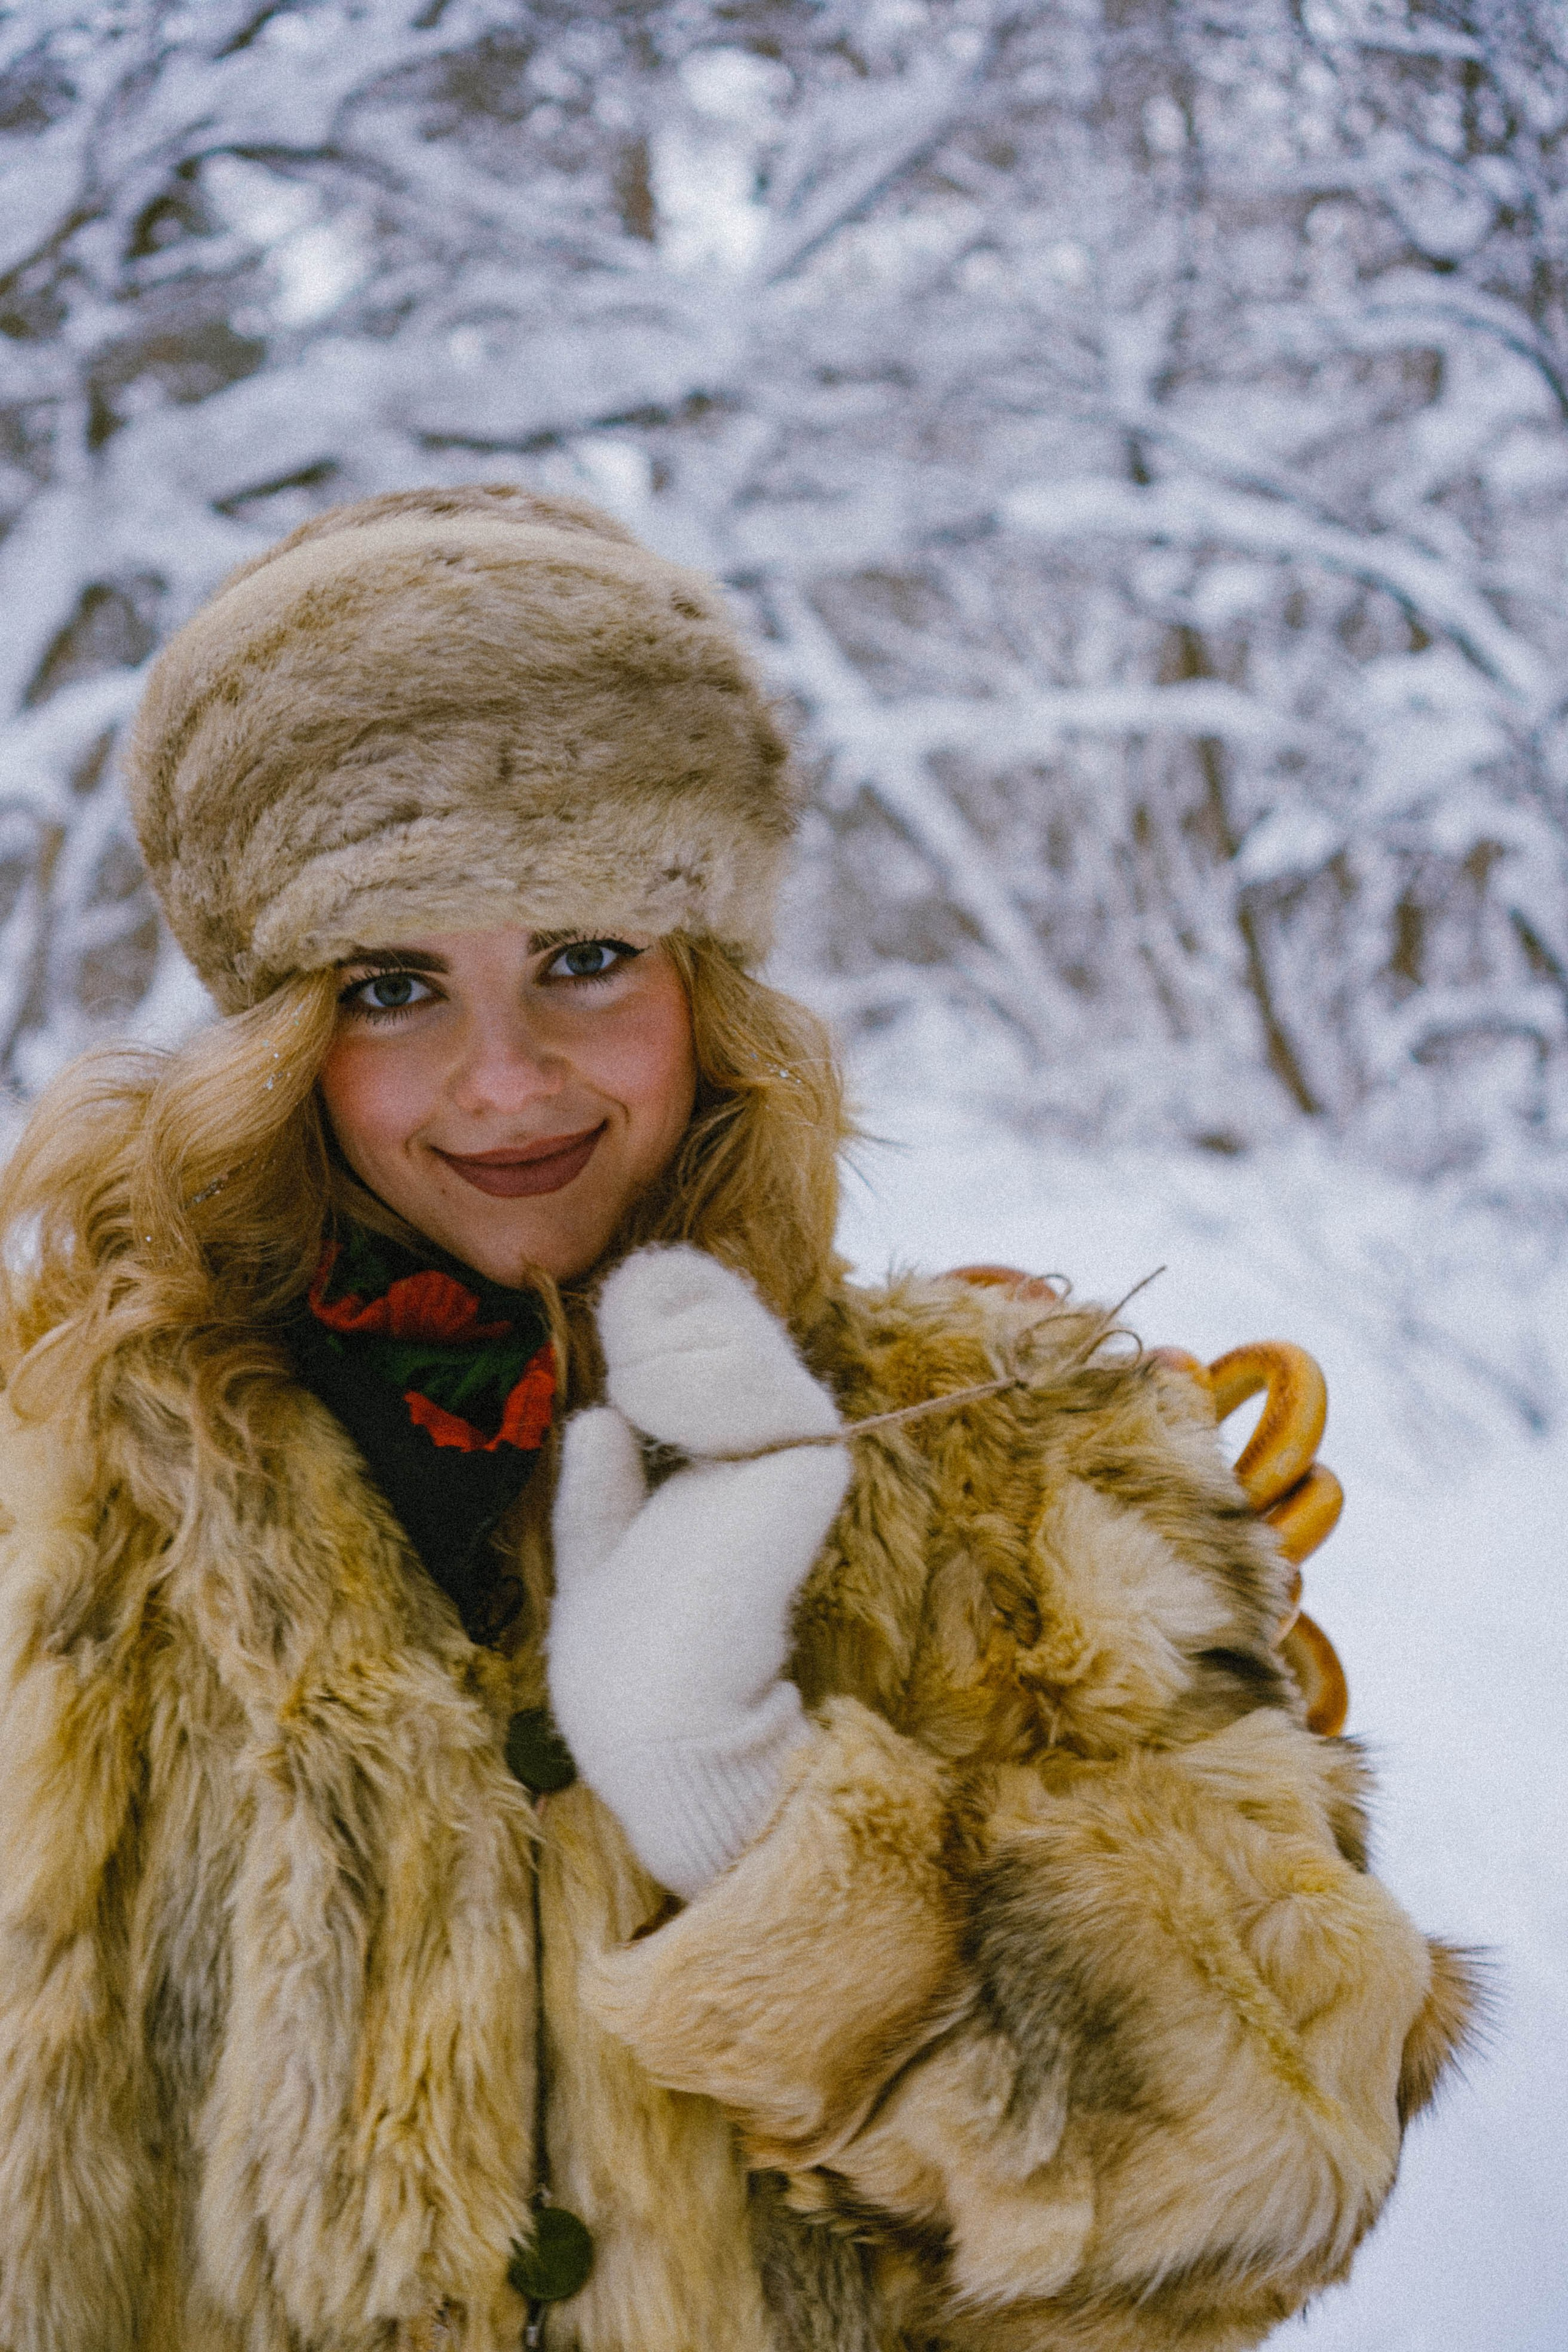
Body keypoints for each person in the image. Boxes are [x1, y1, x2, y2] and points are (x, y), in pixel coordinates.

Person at [0, 486, 1473, 2352]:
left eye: (587, 955)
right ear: (282, 1029)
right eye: (393, 987)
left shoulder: (1012, 1465)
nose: (505, 1078)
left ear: (709, 976)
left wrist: (763, 1823)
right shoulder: (65, 1495)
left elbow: (1259, 2184)